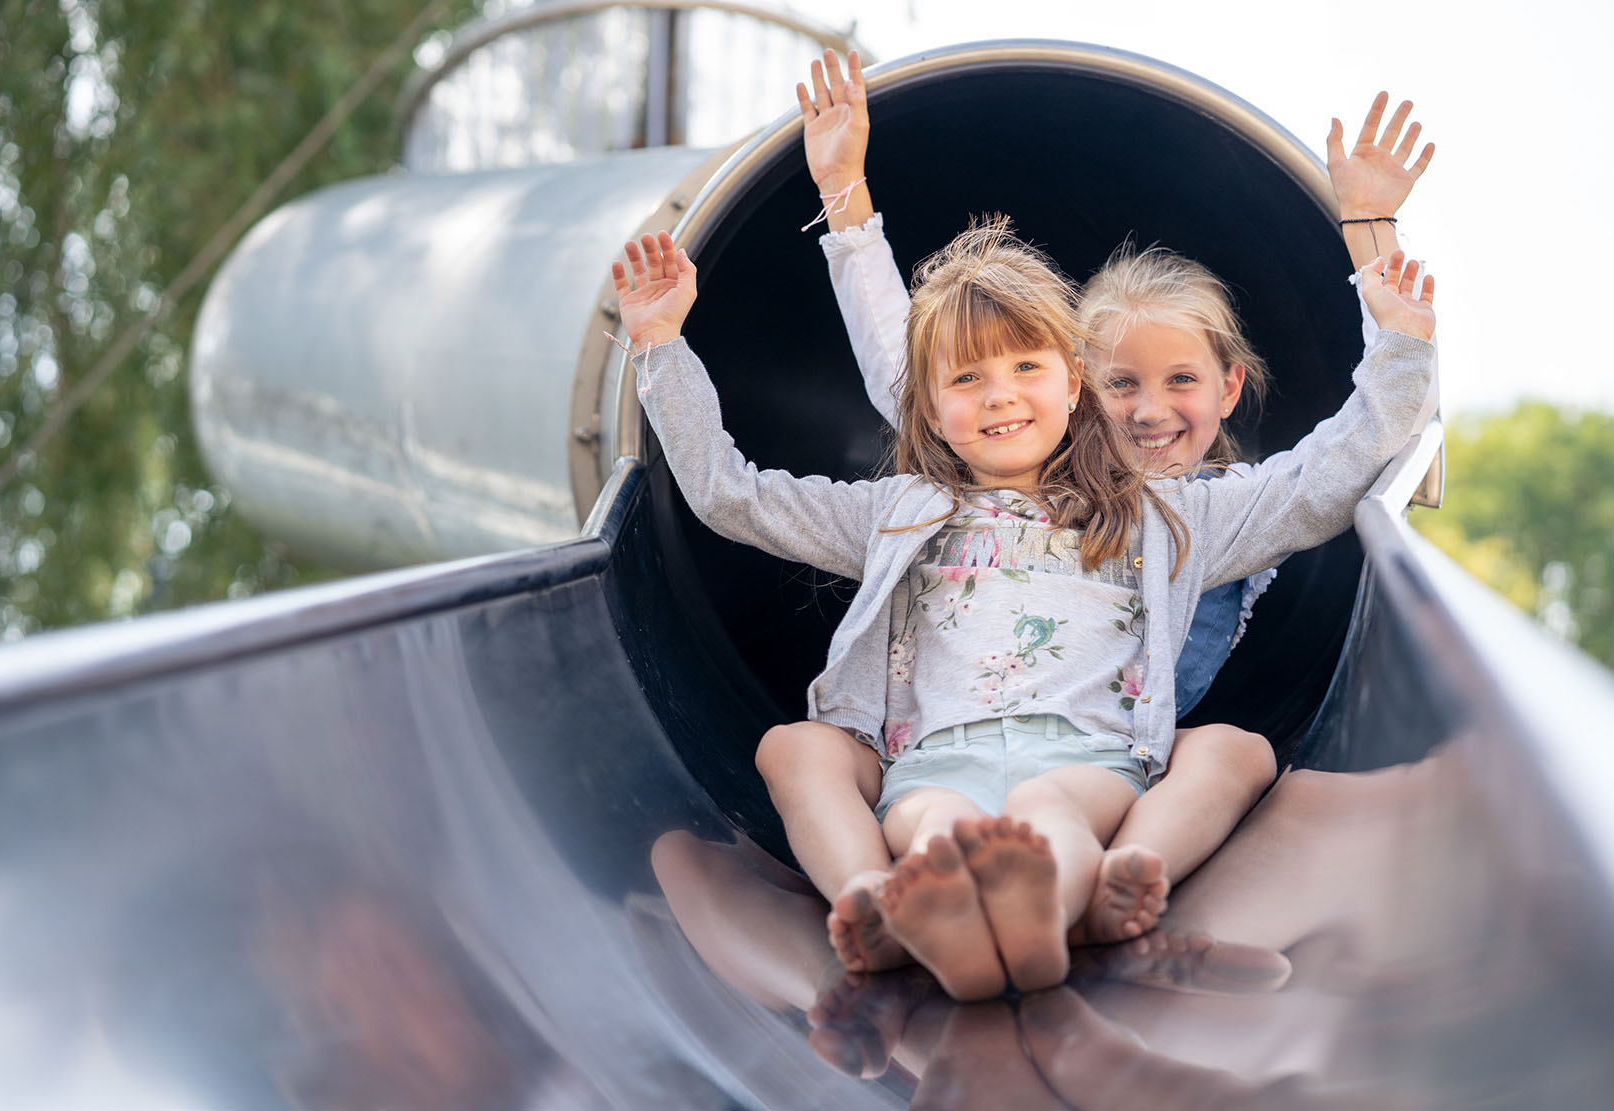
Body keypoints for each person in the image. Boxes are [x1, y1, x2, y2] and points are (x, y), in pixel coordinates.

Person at [609, 213, 1435, 999]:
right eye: (967, 378)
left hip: (1088, 764)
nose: (999, 395)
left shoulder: (1167, 517)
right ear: (930, 408)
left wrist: (1398, 345)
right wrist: (661, 346)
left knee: (1146, 779)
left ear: (1074, 384)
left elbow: (1318, 480)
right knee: (808, 756)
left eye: (1024, 368)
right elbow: (733, 497)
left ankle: (1112, 887)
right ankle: (876, 902)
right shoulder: (898, 511)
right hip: (931, 767)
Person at [757, 47, 1439, 973]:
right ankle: (1032, 898)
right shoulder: (1015, 480)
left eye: (1180, 381)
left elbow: (1340, 461)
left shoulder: (1203, 514)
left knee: (1231, 751)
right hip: (974, 738)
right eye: (1119, 383)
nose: (1150, 409)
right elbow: (906, 368)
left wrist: (1376, 252)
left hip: (1110, 755)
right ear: (1075, 390)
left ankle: (1116, 881)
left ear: (1230, 387)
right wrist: (844, 198)